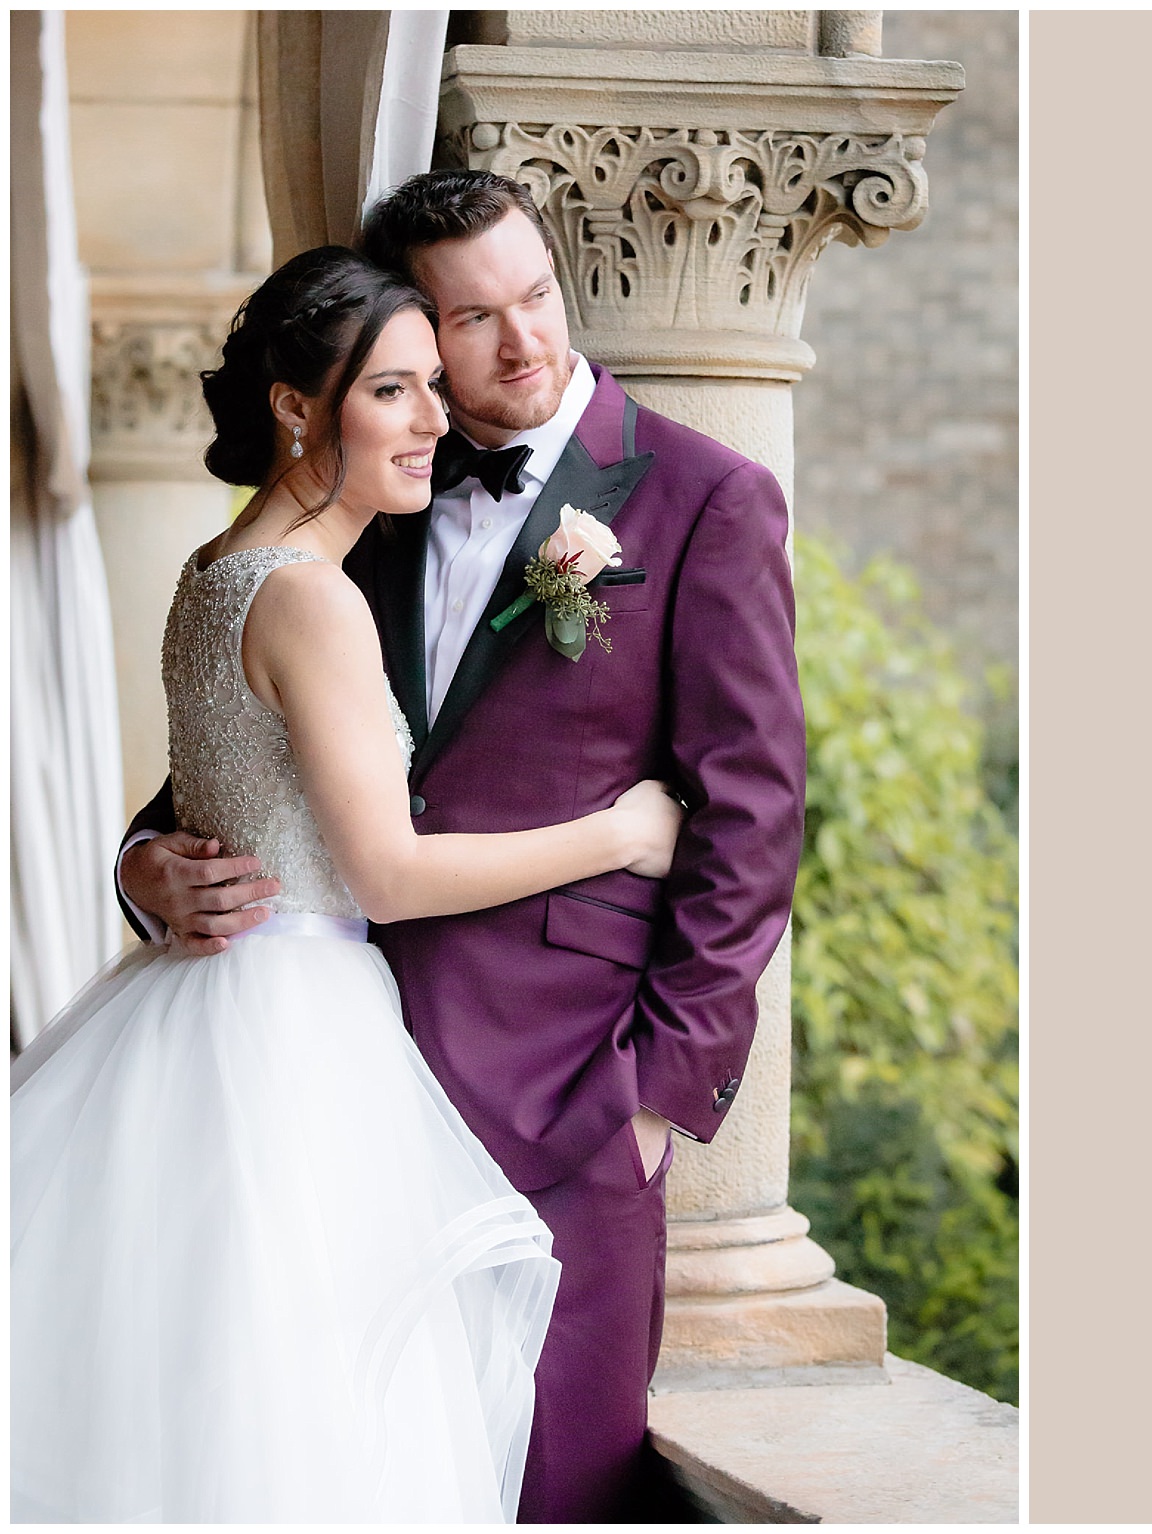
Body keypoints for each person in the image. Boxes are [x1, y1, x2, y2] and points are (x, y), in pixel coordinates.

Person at [118, 170, 807, 1522]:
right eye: (472, 320)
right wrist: (148, 864)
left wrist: (659, 1094)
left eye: (536, 295)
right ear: (412, 336)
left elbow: (754, 816)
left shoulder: (706, 497)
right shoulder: (366, 491)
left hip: (568, 1103)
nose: (524, 343)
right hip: (325, 1096)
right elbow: (250, 751)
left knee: (557, 1479)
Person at [14, 246, 690, 1522]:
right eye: (395, 390)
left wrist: (147, 863)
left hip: (200, 1006)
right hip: (296, 1036)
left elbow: (227, 798)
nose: (439, 418)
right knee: (313, 1419)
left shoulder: (212, 571)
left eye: (435, 385)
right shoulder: (313, 597)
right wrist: (619, 833)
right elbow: (382, 866)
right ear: (295, 406)